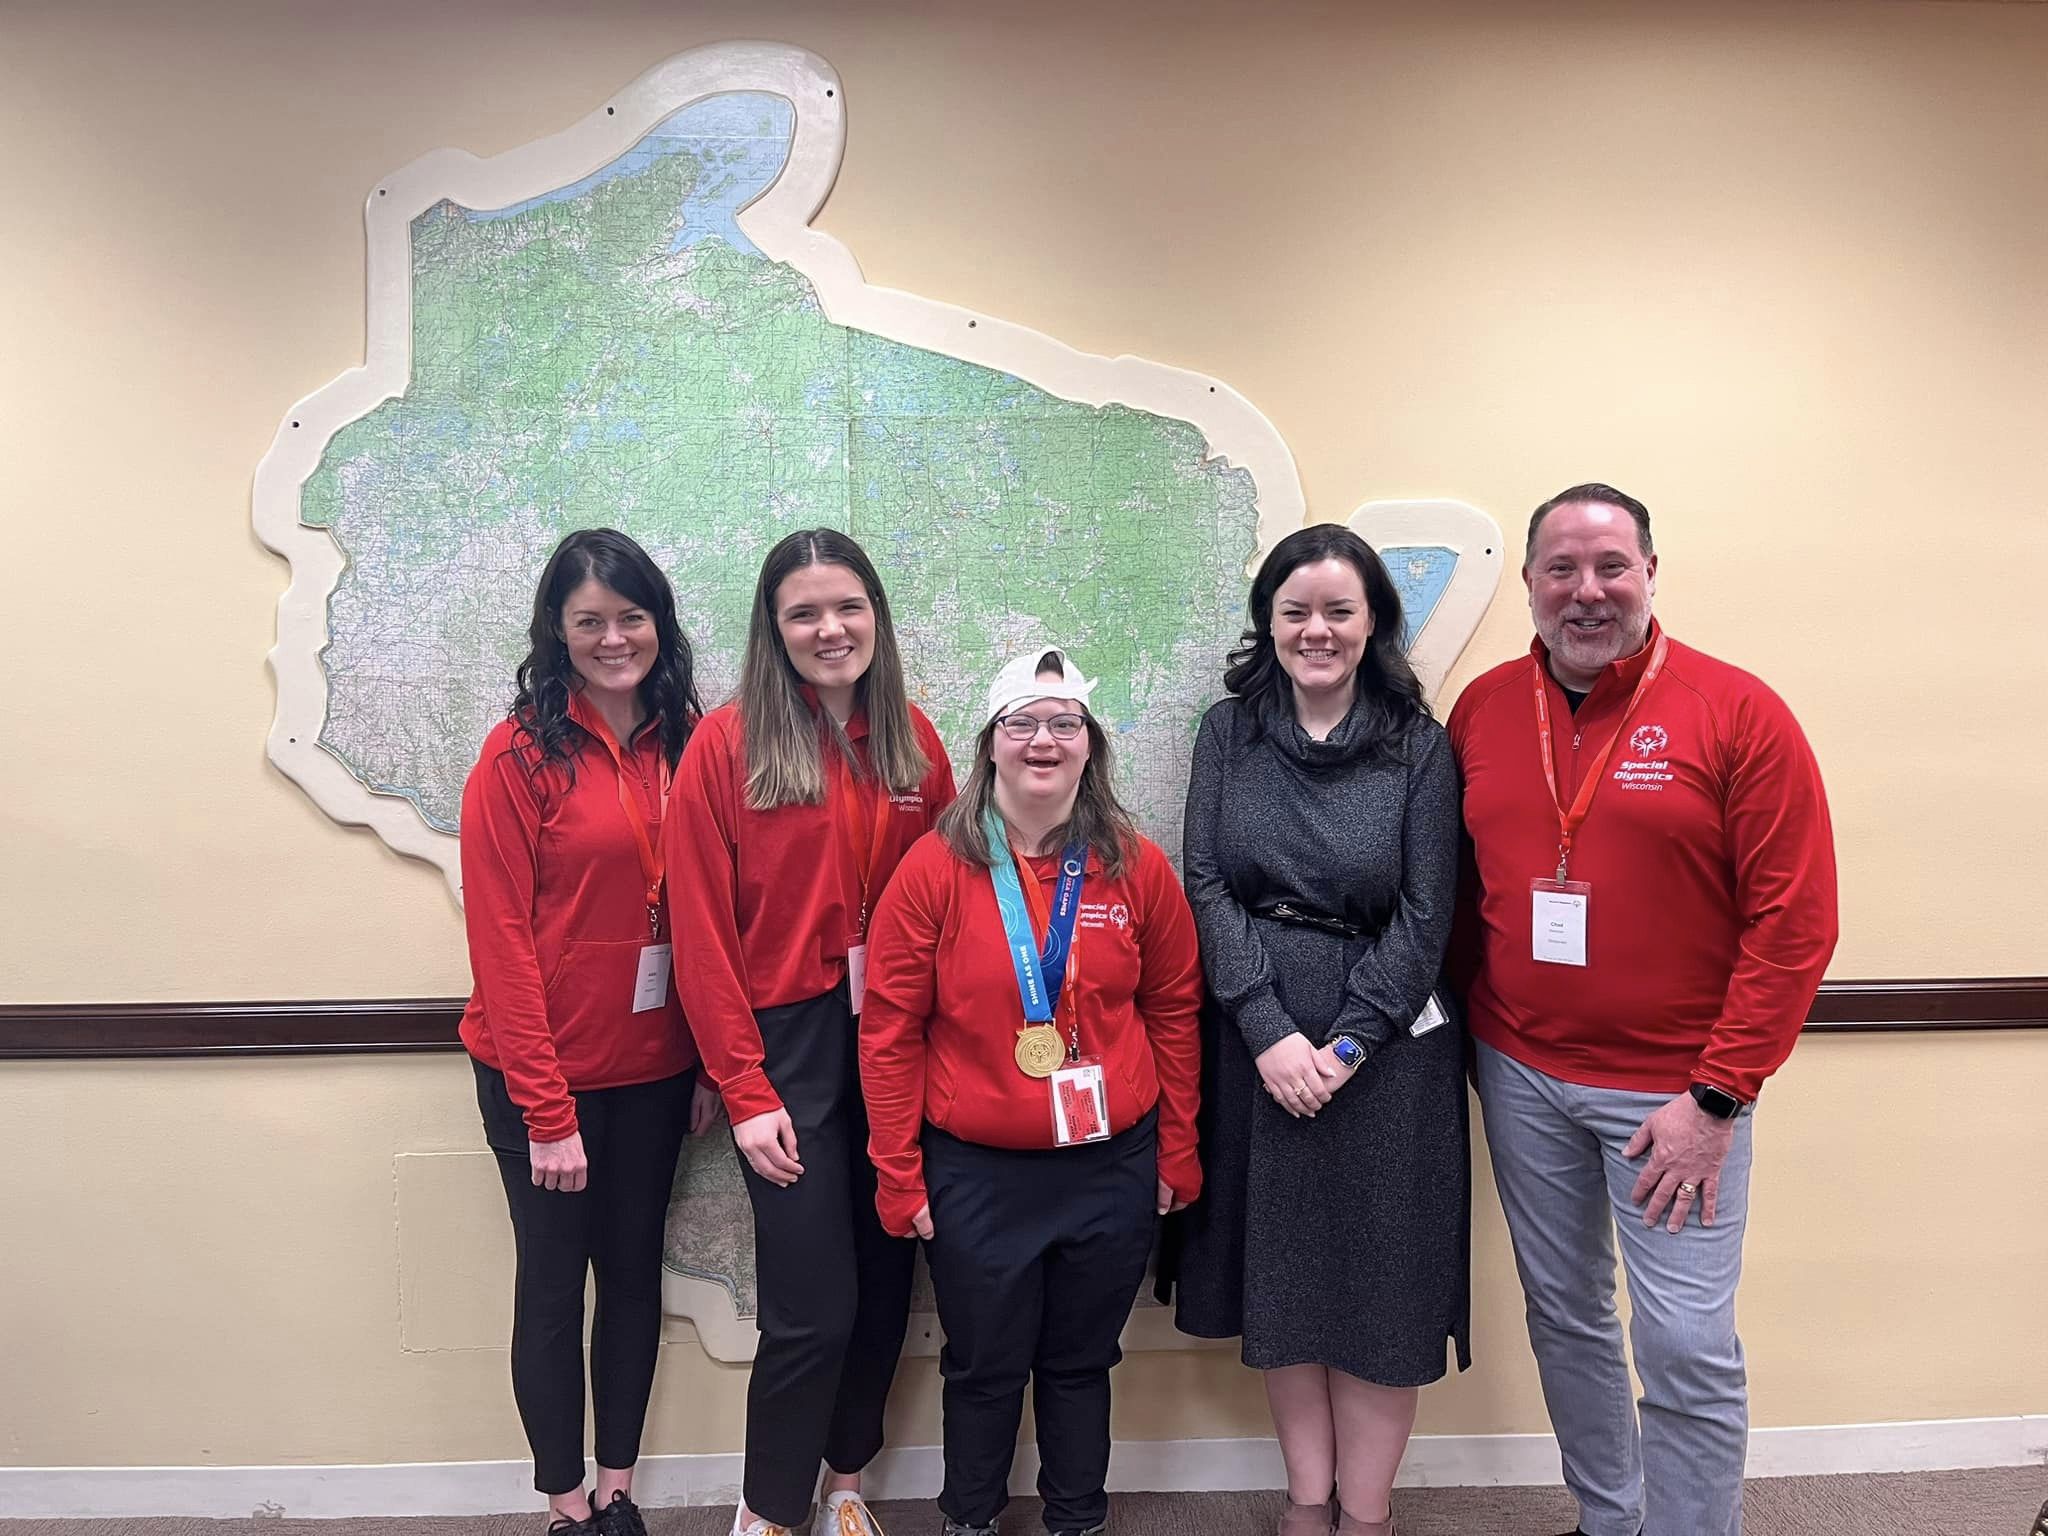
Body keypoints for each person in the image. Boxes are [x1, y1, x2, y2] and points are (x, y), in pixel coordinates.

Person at [1448, 483, 1838, 1536]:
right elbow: (1452, 888)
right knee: (1565, 1317)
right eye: (1561, 569)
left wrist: (1715, 1098)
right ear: (1527, 584)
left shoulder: (1735, 711)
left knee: (1682, 1343)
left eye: (1610, 566)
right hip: (1519, 1071)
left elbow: (1793, 923)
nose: (1586, 592)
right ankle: (1607, 1518)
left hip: (1674, 1092)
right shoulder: (1483, 708)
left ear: (1650, 575)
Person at [859, 646, 1203, 1536]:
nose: (1042, 742)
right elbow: (889, 1030)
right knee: (982, 1366)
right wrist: (899, 1175)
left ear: (1090, 746)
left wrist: (1177, 1150)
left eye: (1064, 725)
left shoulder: (1135, 867)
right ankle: (969, 1520)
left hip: (1110, 1167)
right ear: (990, 746)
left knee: (1084, 1362)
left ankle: (1076, 1520)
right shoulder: (933, 871)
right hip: (977, 1174)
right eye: (1022, 725)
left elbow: (1173, 1011)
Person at [1168, 526, 1468, 1536]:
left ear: (1371, 620)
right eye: (1294, 610)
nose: (1315, 630)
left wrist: (1343, 1045)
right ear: (1268, 621)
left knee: (1381, 1293)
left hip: (1386, 1061)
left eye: (1337, 610)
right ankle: (1306, 1506)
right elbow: (1204, 884)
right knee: (1286, 1282)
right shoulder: (1227, 734)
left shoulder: (1418, 747)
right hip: (1257, 1045)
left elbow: (1428, 916)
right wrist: (1263, 1030)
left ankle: (1367, 1517)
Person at [666, 529, 958, 1536]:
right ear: (773, 628)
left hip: (892, 1041)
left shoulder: (914, 741)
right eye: (803, 612)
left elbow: (954, 908)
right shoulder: (726, 744)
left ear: (874, 616)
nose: (828, 628)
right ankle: (766, 1512)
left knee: (885, 1282)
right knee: (812, 1304)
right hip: (783, 1048)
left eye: (846, 607)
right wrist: (744, 1092)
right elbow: (700, 936)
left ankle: (844, 1488)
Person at [459, 527, 721, 1536]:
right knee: (552, 1285)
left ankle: (618, 1489)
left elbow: (705, 917)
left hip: (655, 1073)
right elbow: (502, 945)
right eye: (589, 622)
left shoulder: (692, 740)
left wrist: (700, 1060)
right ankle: (565, 1504)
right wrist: (545, 1111)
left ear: (658, 622)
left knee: (631, 1281)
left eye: (631, 616)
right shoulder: (518, 753)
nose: (614, 638)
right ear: (556, 632)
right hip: (541, 1077)